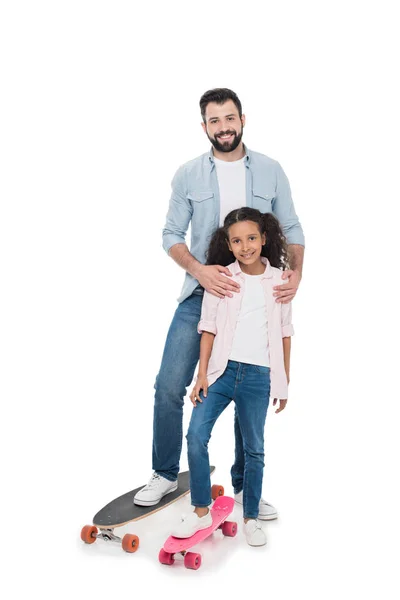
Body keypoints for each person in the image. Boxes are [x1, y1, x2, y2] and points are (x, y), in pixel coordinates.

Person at [134, 88, 304, 513]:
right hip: (204, 294)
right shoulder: (188, 174)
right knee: (169, 385)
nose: (223, 127)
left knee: (249, 389)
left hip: (258, 299)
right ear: (204, 126)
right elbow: (171, 235)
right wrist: (199, 270)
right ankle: (165, 474)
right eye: (214, 121)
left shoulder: (270, 170)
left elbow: (293, 227)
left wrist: (296, 275)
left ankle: (246, 488)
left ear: (242, 119)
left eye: (230, 118)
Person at [170, 208, 293, 546]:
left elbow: (284, 333)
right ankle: (200, 511)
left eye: (252, 238)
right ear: (229, 243)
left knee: (255, 449)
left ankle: (251, 516)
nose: (246, 246)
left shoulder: (281, 280)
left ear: (264, 239)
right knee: (196, 435)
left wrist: (283, 381)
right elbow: (207, 328)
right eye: (237, 240)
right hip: (221, 373)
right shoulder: (222, 277)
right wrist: (202, 375)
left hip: (259, 376)